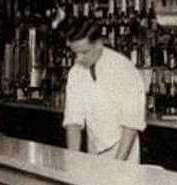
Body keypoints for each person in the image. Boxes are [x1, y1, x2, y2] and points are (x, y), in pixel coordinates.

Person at [61, 18, 146, 162]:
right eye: (75, 53)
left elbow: (131, 123)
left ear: (99, 44)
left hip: (123, 152)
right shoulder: (75, 73)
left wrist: (117, 164)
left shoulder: (123, 69)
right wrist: (72, 160)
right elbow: (73, 121)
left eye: (84, 52)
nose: (79, 59)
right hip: (94, 151)